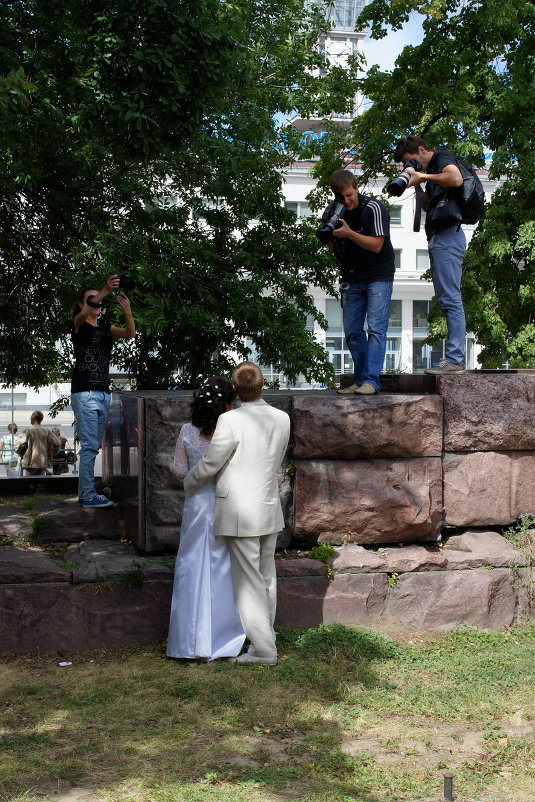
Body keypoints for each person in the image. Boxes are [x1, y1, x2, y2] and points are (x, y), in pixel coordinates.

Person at [183, 362, 290, 666]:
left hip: (239, 510)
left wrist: (189, 482)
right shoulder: (282, 418)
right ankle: (264, 640)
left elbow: (211, 463)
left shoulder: (230, 420)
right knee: (266, 577)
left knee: (248, 583)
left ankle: (265, 649)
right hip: (268, 505)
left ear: (236, 388)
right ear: (263, 384)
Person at [167, 377, 245, 661]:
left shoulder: (187, 430)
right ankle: (222, 639)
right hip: (225, 502)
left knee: (191, 565)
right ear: (226, 404)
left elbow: (179, 470)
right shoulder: (233, 430)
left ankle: (186, 642)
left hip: (197, 503)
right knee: (222, 568)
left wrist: (195, 476)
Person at [394, 135, 466, 374]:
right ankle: (454, 358)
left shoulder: (441, 157)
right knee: (446, 299)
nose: (413, 166)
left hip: (448, 236)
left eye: (412, 160)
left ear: (422, 149)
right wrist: (419, 182)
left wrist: (423, 175)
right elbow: (426, 206)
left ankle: (455, 359)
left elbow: (455, 178)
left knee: (451, 299)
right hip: (438, 237)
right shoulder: (432, 172)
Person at [326, 169, 396, 395]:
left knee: (376, 329)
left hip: (378, 276)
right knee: (353, 331)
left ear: (356, 188)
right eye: (340, 197)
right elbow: (331, 245)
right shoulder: (333, 211)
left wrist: (348, 234)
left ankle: (371, 381)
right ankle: (360, 379)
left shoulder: (373, 207)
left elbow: (377, 245)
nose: (346, 201)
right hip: (352, 277)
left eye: (349, 195)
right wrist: (331, 237)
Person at [71, 275, 135, 508]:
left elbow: (129, 334)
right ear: (82, 304)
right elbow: (89, 308)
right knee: (89, 446)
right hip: (85, 392)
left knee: (93, 446)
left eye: (98, 300)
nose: (97, 304)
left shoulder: (106, 328)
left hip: (102, 392)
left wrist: (127, 311)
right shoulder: (78, 324)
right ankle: (87, 495)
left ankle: (87, 492)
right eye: (91, 300)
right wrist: (105, 289)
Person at [15, 412, 60, 476]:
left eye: (31, 418)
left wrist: (20, 452)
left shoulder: (28, 430)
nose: (30, 419)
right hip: (42, 463)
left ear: (34, 419)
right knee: (39, 483)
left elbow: (20, 444)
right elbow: (57, 443)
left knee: (27, 483)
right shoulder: (46, 431)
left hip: (29, 464)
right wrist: (50, 454)